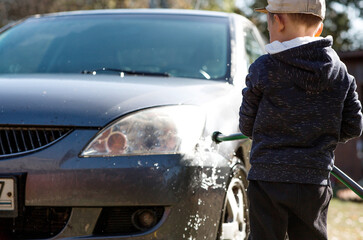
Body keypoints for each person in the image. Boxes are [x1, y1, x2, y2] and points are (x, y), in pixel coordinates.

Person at [239, 0, 363, 239]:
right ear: (318, 29)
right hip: (314, 180)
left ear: (278, 21)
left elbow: (246, 125)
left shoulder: (263, 68)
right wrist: (319, 133)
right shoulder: (340, 74)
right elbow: (353, 126)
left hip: (268, 179)